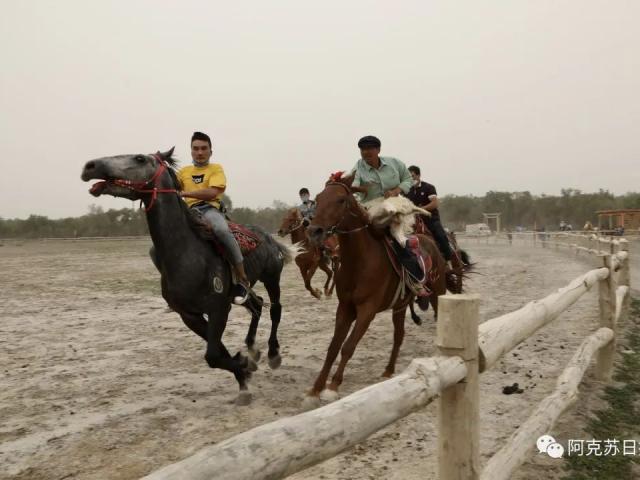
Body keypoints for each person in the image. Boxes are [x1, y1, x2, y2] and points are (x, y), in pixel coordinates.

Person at [349, 135, 428, 298]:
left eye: (369, 149)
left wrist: (396, 190)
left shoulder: (394, 163)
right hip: (370, 206)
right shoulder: (358, 166)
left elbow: (407, 180)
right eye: (363, 150)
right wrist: (358, 188)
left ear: (378, 150)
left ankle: (415, 279)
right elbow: (354, 184)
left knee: (397, 236)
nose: (366, 152)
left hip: (394, 203)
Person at [178, 131, 249, 304]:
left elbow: (212, 193)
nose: (200, 152)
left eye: (204, 148)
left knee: (222, 230)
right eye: (196, 149)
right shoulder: (183, 172)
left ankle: (242, 279)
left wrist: (185, 192)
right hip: (187, 212)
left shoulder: (216, 169)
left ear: (211, 151)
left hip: (210, 209)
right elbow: (168, 188)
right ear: (191, 151)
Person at [405, 165, 453, 268]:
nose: (411, 179)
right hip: (412, 221)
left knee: (440, 235)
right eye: (408, 177)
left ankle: (449, 261)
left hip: (430, 220)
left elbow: (434, 204)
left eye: (412, 176)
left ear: (418, 175)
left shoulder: (429, 187)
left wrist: (420, 210)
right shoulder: (406, 191)